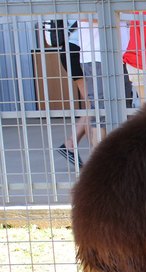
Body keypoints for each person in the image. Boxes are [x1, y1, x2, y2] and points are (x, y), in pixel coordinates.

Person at [54, 17, 87, 168]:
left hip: (71, 50)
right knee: (94, 105)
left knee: (93, 104)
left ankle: (71, 144)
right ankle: (70, 144)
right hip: (77, 51)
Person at [76, 17, 106, 153]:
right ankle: (99, 163)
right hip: (96, 56)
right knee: (100, 111)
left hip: (122, 54)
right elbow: (83, 14)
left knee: (122, 109)